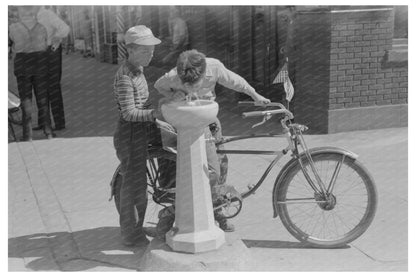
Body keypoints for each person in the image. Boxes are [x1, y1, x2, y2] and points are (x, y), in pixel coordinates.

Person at [145, 49, 271, 239]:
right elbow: (158, 85)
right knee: (210, 171)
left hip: (209, 118)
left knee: (222, 164)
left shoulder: (214, 67)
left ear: (204, 73)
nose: (193, 89)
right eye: (189, 85)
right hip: (191, 122)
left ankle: (216, 210)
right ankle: (172, 211)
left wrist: (255, 95)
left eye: (196, 84)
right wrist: (175, 94)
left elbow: (234, 81)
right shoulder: (172, 75)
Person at [112, 25, 173, 247]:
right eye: (146, 50)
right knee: (134, 186)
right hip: (130, 134)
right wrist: (156, 113)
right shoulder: (125, 76)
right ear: (132, 50)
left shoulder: (138, 69)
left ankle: (170, 195)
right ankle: (132, 234)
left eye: (152, 50)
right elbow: (129, 113)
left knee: (175, 147)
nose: (152, 54)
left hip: (143, 128)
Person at [9, 6, 54, 140]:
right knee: (43, 100)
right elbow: (46, 45)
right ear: (34, 15)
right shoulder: (42, 28)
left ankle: (27, 135)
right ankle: (48, 132)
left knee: (26, 100)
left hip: (23, 65)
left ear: (20, 15)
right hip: (40, 64)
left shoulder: (12, 28)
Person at [33, 6, 69, 132]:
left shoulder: (47, 14)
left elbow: (65, 28)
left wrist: (56, 38)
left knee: (53, 87)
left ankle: (59, 123)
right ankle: (43, 122)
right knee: (39, 88)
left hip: (51, 52)